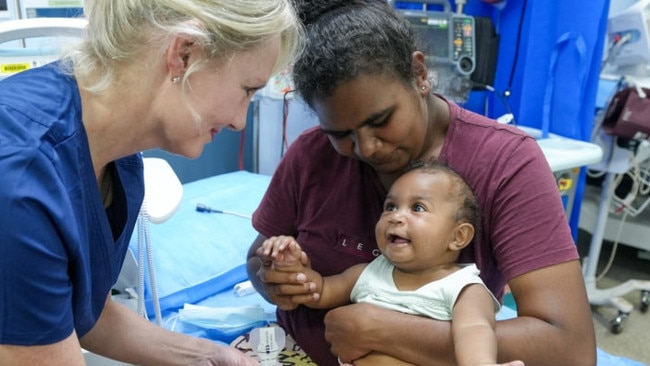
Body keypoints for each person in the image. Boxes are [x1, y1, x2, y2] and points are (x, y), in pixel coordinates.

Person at [246, 0, 596, 365]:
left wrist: (384, 331)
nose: (366, 147)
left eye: (380, 120)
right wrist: (276, 281)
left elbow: (570, 349)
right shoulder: (311, 155)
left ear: (419, 73)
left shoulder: (505, 164)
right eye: (341, 133)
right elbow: (257, 258)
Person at [0, 1, 302, 365]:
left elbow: (88, 313)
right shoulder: (21, 177)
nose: (240, 121)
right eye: (247, 89)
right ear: (184, 53)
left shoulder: (120, 160)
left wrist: (214, 356)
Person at [258, 160, 525, 366]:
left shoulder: (463, 288)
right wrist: (291, 266)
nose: (396, 217)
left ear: (458, 237)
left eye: (417, 208)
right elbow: (318, 292)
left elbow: (476, 329)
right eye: (390, 206)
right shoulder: (368, 273)